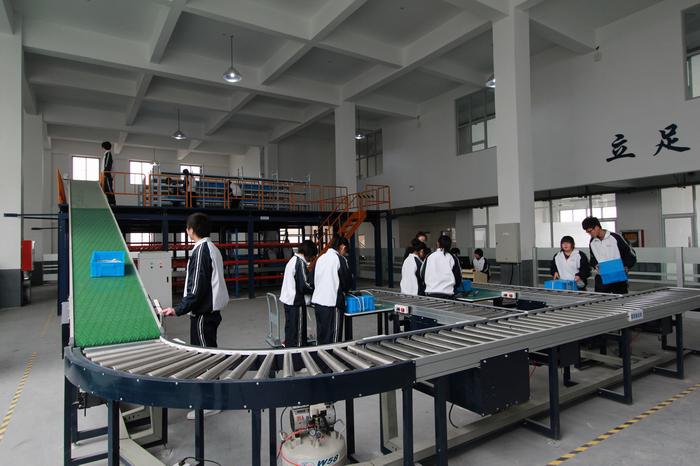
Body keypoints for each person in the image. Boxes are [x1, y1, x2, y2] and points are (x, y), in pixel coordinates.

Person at [159, 213, 229, 418]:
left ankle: (211, 402)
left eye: (187, 228)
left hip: (203, 314)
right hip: (208, 312)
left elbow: (197, 289)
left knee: (205, 357)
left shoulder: (201, 251)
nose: (187, 231)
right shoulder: (211, 248)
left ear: (191, 230)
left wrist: (178, 309)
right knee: (208, 354)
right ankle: (211, 397)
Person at [311, 234, 353, 345]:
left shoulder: (320, 258)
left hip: (318, 303)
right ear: (342, 247)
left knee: (322, 335)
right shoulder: (340, 259)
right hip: (332, 304)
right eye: (345, 251)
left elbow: (311, 280)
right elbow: (347, 282)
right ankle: (332, 356)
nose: (345, 253)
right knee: (333, 338)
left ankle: (320, 355)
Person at [582, 216, 636, 294]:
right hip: (602, 277)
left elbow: (631, 254)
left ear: (597, 227)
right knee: (601, 299)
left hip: (618, 275)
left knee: (620, 300)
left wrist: (625, 265)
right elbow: (592, 258)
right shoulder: (592, 242)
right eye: (587, 232)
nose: (589, 234)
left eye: (590, 231)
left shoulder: (616, 237)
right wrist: (595, 265)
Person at [280, 240, 317, 347]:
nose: (311, 260)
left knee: (291, 329)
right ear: (309, 254)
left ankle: (289, 348)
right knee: (298, 331)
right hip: (296, 303)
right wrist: (316, 289)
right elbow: (305, 285)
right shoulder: (300, 263)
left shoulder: (292, 260)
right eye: (312, 257)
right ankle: (298, 350)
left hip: (288, 301)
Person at [101, 141, 116, 205]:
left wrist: (105, 173)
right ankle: (110, 202)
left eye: (102, 147)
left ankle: (112, 203)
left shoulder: (108, 154)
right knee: (106, 189)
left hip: (107, 175)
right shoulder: (106, 154)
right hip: (104, 175)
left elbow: (107, 164)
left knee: (109, 189)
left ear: (104, 147)